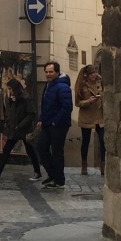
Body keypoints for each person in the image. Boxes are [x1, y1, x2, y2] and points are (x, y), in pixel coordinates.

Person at [0, 78, 40, 181]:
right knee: (6, 150)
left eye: (10, 88)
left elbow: (31, 114)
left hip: (24, 130)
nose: (9, 91)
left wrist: (20, 125)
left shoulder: (25, 99)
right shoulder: (14, 99)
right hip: (15, 130)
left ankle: (37, 172)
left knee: (30, 150)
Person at [35, 60, 73, 190]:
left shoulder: (62, 87)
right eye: (46, 72)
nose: (48, 74)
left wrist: (55, 121)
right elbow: (46, 105)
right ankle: (53, 174)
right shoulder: (48, 84)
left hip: (59, 124)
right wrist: (42, 119)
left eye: (51, 72)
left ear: (57, 72)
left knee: (57, 152)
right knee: (41, 147)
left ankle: (59, 181)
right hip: (47, 123)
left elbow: (67, 107)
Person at [75, 64, 106, 176]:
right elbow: (78, 103)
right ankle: (84, 165)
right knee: (86, 141)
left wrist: (101, 79)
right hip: (87, 117)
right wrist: (88, 101)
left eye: (94, 73)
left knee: (103, 140)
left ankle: (103, 166)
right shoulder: (82, 86)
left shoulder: (100, 83)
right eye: (91, 73)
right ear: (86, 75)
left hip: (99, 117)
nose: (93, 75)